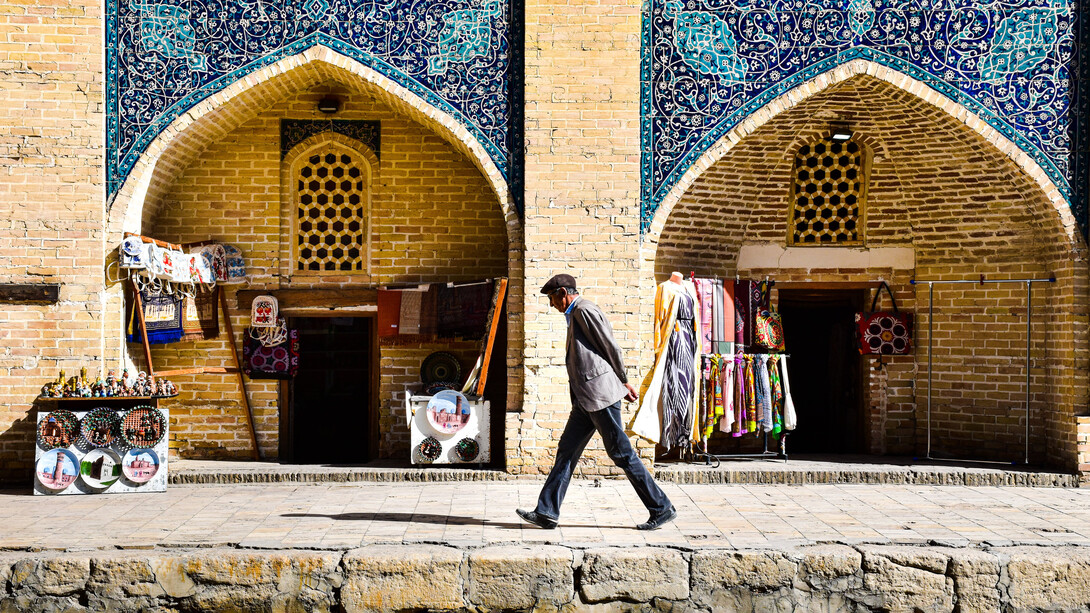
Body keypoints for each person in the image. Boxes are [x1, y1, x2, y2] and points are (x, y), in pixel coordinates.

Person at [516, 274, 677, 531]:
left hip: (600, 395)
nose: (551, 305)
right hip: (585, 398)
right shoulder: (575, 313)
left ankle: (661, 507)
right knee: (566, 451)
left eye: (551, 298)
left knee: (621, 453)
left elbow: (610, 346)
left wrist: (623, 380)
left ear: (563, 293)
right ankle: (546, 512)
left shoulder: (584, 310)